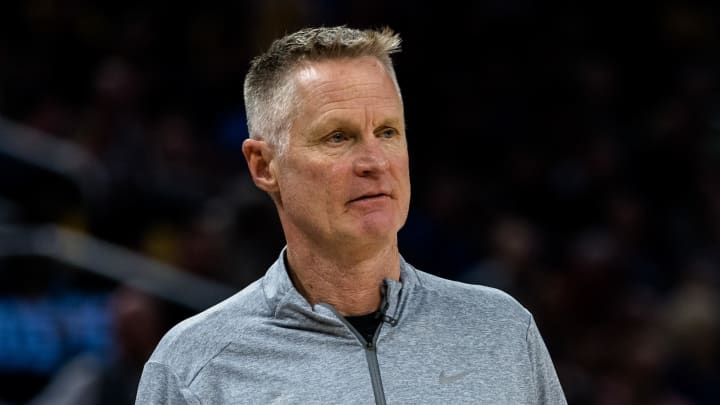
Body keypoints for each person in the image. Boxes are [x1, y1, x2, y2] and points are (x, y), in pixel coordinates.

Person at [135, 25, 567, 404]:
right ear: (264, 166)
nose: (375, 161)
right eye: (338, 136)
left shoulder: (502, 330)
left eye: (387, 132)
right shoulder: (194, 367)